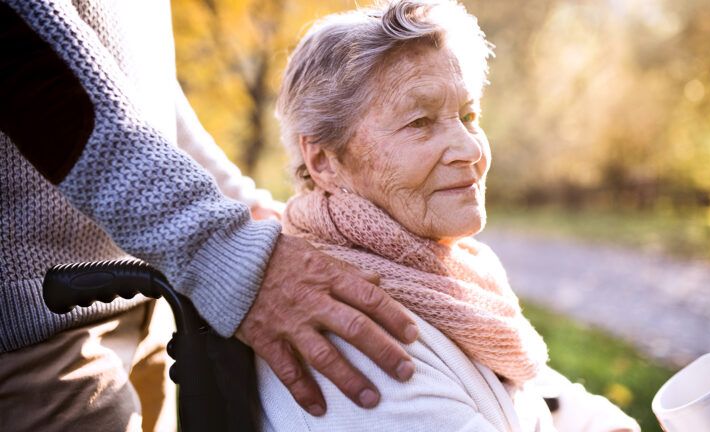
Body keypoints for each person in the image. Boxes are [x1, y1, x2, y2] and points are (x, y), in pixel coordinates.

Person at [0, 0, 420, 430]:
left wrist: (235, 200)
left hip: (153, 302)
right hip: (37, 331)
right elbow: (31, 56)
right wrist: (214, 243)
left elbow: (130, 80)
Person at [257, 1, 642, 431]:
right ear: (324, 160)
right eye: (420, 122)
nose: (472, 149)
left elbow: (534, 395)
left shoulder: (438, 278)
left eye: (468, 115)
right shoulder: (352, 331)